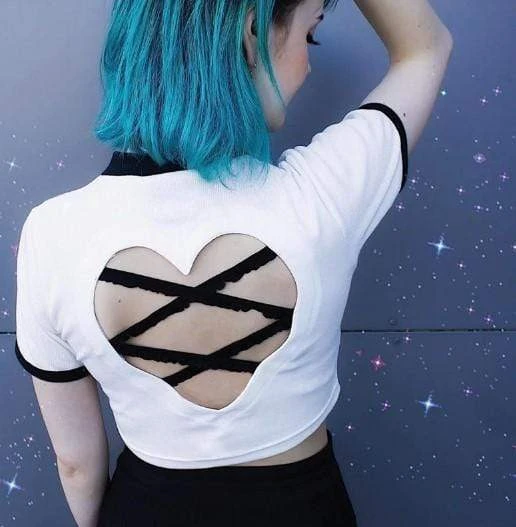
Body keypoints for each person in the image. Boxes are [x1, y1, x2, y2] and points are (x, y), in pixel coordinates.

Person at [14, 0, 453, 525]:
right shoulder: (320, 196)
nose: (308, 65)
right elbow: (425, 48)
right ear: (252, 33)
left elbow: (76, 463)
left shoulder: (52, 233)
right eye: (309, 35)